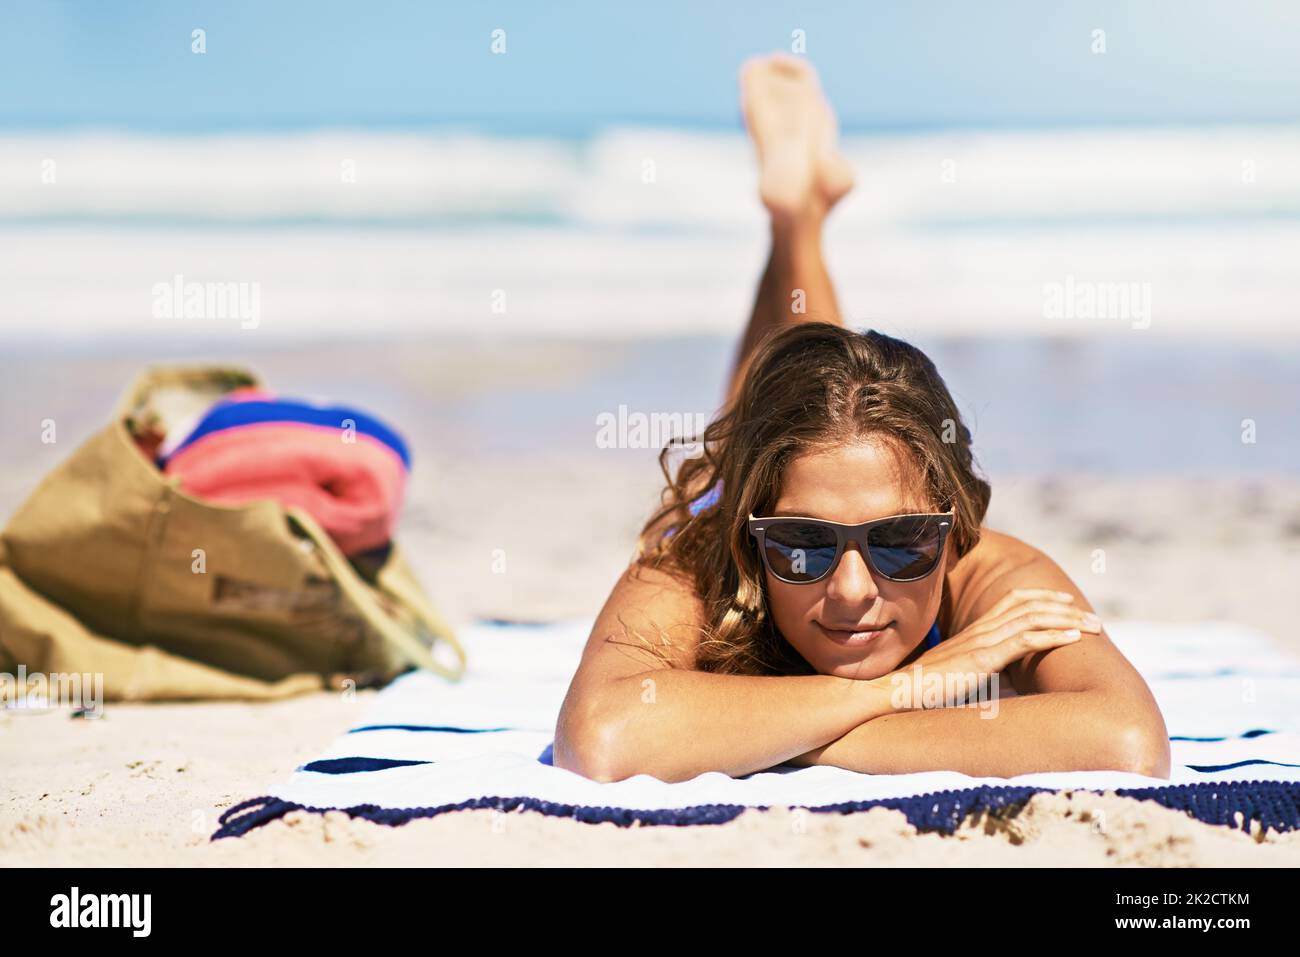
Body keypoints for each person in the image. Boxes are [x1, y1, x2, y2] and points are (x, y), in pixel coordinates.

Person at [554, 54, 1170, 783]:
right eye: (801, 543)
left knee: (789, 400)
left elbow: (1126, 741)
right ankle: (799, 217)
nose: (850, 589)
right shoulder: (700, 556)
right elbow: (602, 740)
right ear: (753, 540)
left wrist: (768, 736)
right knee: (766, 415)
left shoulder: (990, 571)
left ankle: (796, 219)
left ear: (954, 522)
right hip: (737, 493)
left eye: (902, 540)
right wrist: (904, 689)